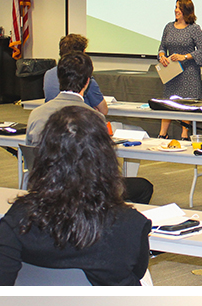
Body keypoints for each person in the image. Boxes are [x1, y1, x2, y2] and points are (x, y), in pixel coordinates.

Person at [0, 106, 151, 285]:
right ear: (106, 157)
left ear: (44, 156)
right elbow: (137, 271)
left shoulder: (21, 218)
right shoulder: (131, 223)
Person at [27, 51, 153, 204]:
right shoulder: (94, 118)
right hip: (82, 193)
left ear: (59, 78)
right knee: (144, 187)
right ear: (88, 82)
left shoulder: (36, 113)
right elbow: (100, 166)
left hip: (45, 187)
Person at [157, 0, 202, 139]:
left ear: (186, 10)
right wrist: (162, 56)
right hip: (171, 73)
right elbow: (162, 47)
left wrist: (183, 56)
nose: (176, 10)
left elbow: (201, 51)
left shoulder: (194, 29)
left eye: (178, 7)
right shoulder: (168, 27)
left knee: (186, 103)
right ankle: (162, 134)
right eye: (175, 7)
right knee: (168, 103)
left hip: (189, 73)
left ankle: (184, 134)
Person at [43, 33, 109, 114]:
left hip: (52, 120)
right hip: (80, 121)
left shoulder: (48, 74)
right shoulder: (84, 76)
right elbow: (103, 110)